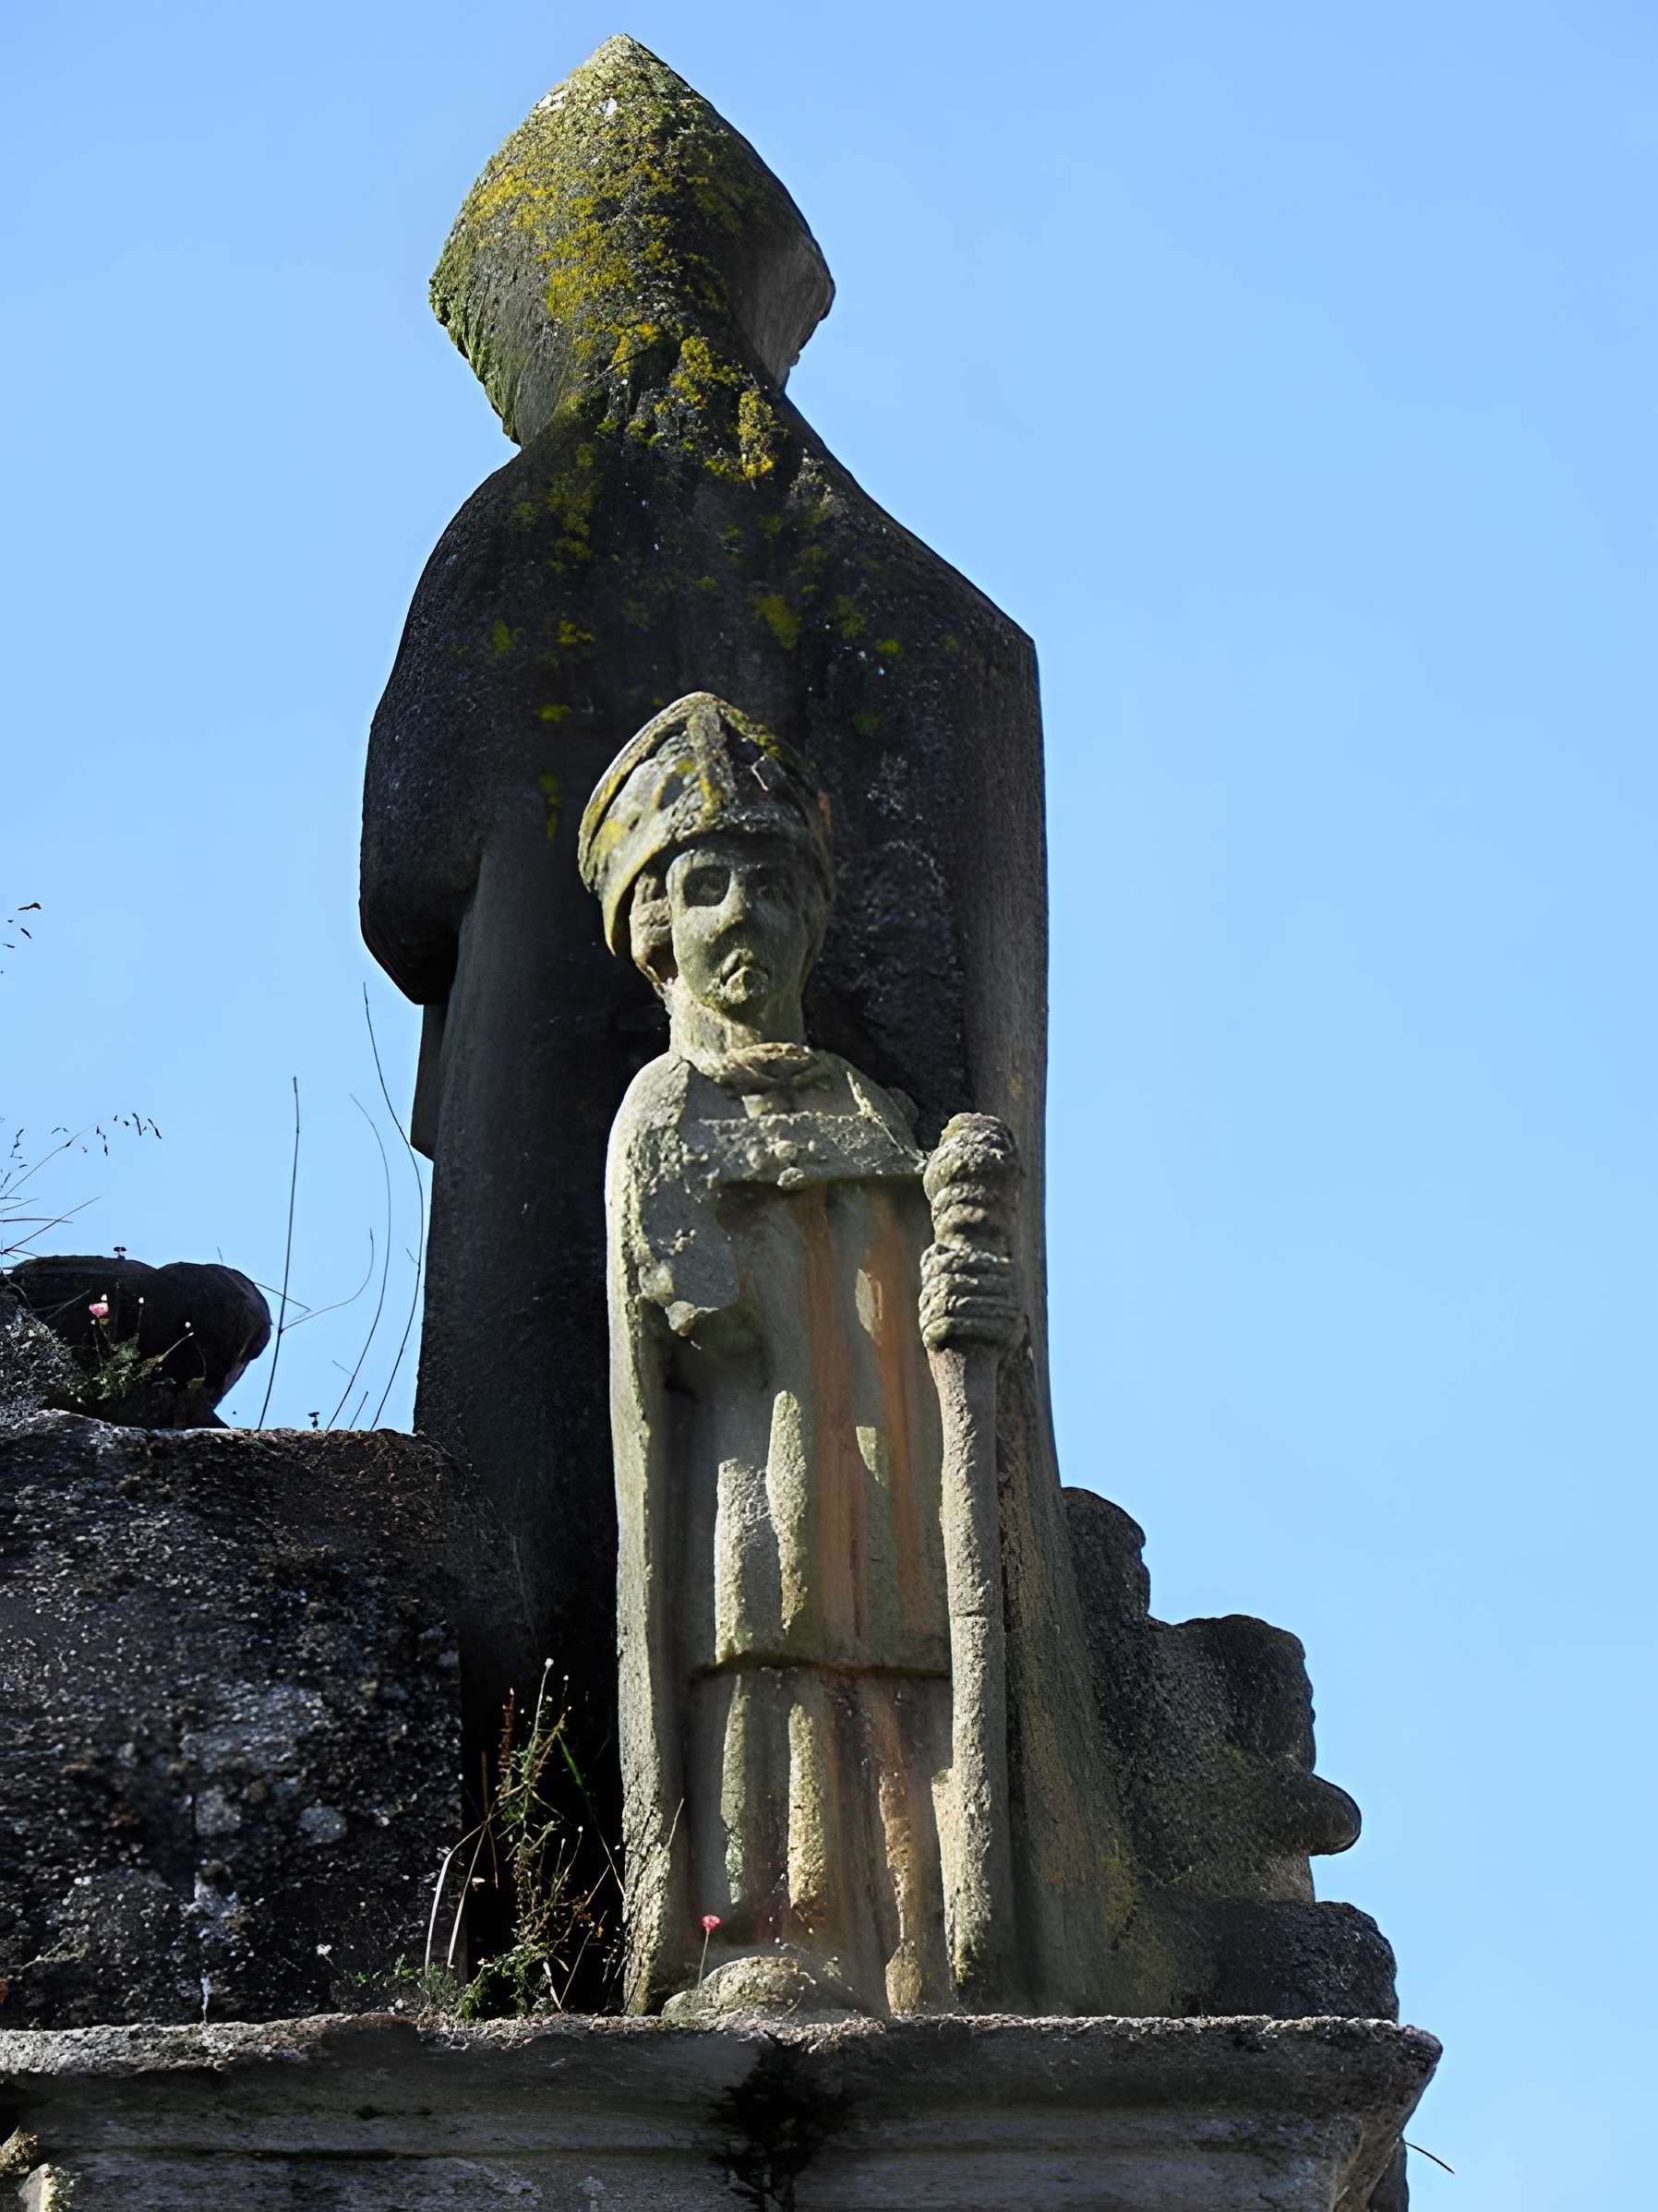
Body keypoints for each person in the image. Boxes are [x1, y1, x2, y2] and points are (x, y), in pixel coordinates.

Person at [581, 693, 1021, 2016]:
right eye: (704, 886)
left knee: (898, 1662)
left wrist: (976, 1292)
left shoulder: (868, 1105)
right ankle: (760, 1928)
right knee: (760, 1650)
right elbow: (693, 1309)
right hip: (752, 1458)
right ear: (655, 930)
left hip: (885, 1449)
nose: (741, 917)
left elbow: (935, 1293)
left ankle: (913, 1942)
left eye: (769, 885)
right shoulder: (665, 1107)